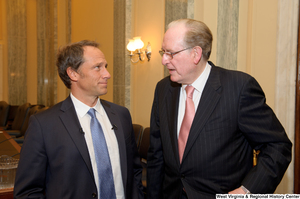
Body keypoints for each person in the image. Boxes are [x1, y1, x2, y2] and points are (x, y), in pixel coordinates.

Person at [147, 19, 292, 199]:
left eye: (171, 53)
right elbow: (157, 155)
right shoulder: (163, 89)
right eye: (163, 52)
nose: (163, 60)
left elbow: (278, 146)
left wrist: (247, 191)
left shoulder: (238, 88)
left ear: (196, 53)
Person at [14, 40, 144, 199]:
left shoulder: (121, 115)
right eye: (98, 67)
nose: (107, 74)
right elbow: (27, 191)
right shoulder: (44, 124)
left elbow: (134, 171)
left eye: (106, 66)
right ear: (73, 73)